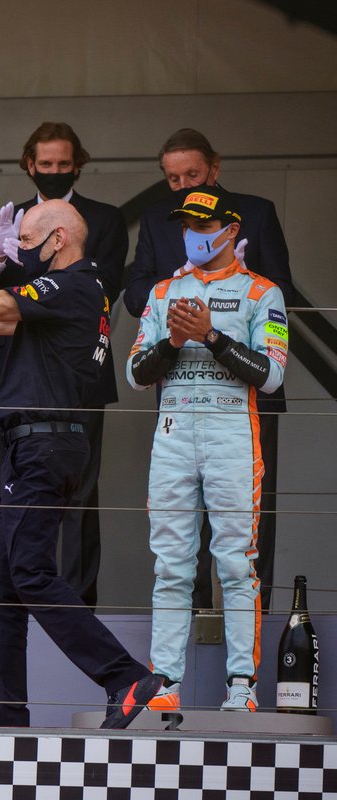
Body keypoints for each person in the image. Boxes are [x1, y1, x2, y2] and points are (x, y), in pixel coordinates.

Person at [0, 199, 160, 729]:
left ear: (60, 239)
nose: (18, 251)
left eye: (25, 242)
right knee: (0, 583)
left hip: (42, 446)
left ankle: (125, 676)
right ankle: (4, 707)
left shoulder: (68, 287)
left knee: (28, 569)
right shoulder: (76, 295)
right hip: (40, 446)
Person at [127, 185, 287, 712]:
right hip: (172, 434)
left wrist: (212, 336)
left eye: (204, 226)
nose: (194, 235)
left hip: (232, 435)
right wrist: (174, 342)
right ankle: (165, 683)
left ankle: (241, 687)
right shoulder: (160, 293)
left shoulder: (261, 292)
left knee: (237, 565)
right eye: (188, 227)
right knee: (171, 565)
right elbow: (134, 374)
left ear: (231, 231)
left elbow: (272, 376)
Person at [125, 128, 293, 609]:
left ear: (215, 169)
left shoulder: (256, 212)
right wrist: (171, 287)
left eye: (191, 174)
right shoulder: (161, 220)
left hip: (248, 387)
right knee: (183, 518)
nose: (181, 185)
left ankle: (254, 612)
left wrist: (241, 277)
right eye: (172, 177)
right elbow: (135, 293)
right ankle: (195, 612)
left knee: (252, 514)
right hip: (181, 387)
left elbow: (283, 288)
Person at [0, 122, 127, 607]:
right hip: (22, 373)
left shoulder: (103, 219)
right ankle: (19, 598)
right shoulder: (10, 217)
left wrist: (20, 280)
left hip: (79, 372)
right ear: (29, 164)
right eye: (47, 165)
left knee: (80, 494)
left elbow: (99, 288)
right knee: (16, 493)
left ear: (77, 164)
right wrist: (0, 255)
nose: (56, 172)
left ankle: (79, 601)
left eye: (65, 165)